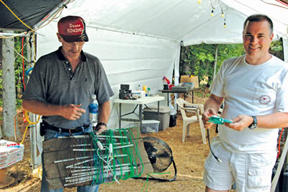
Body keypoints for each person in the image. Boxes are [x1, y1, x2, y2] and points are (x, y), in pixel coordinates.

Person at [22, 15, 114, 192]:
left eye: (80, 41)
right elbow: (28, 103)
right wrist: (59, 110)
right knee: (53, 188)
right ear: (59, 37)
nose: (76, 47)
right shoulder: (45, 64)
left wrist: (102, 125)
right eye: (70, 41)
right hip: (55, 136)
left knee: (89, 186)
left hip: (86, 135)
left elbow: (105, 99)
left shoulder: (94, 63)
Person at [202, 14, 288, 192]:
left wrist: (253, 120)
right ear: (242, 36)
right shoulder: (229, 66)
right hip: (223, 147)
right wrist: (210, 110)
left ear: (271, 38)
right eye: (248, 35)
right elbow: (215, 99)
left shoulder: (282, 72)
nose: (253, 41)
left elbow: (285, 117)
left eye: (260, 36)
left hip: (256, 155)